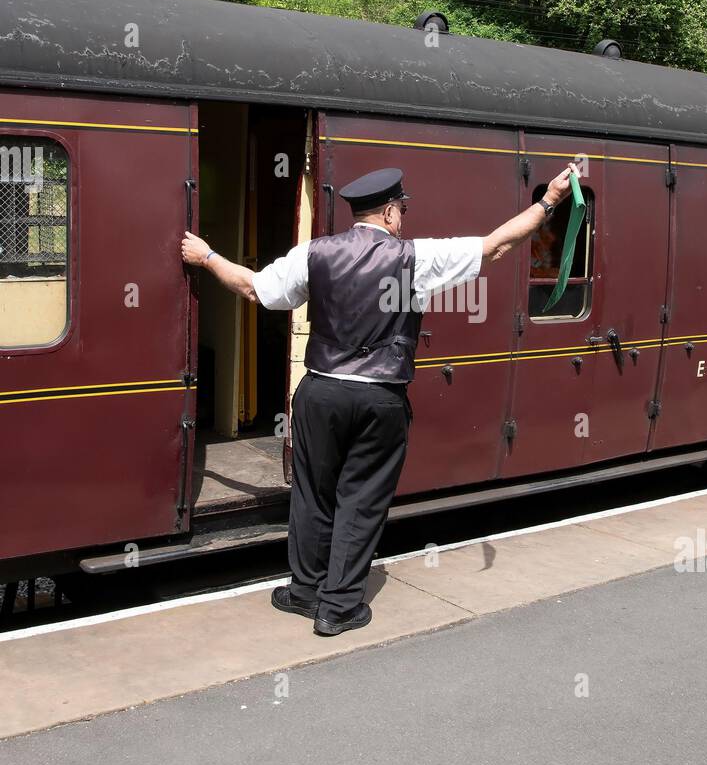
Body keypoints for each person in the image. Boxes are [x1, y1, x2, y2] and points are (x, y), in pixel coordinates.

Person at [181, 160, 578, 636]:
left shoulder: (315, 253)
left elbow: (253, 287)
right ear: (390, 212)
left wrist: (206, 256)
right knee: (361, 499)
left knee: (311, 494)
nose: (403, 218)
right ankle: (339, 607)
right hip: (380, 399)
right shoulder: (417, 258)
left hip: (320, 392)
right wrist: (550, 198)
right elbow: (497, 246)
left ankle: (304, 591)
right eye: (402, 210)